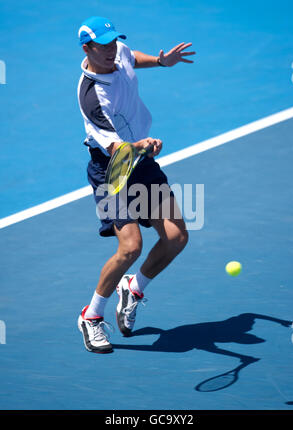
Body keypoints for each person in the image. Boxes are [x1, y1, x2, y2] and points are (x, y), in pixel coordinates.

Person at [76, 16, 196, 353]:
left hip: (140, 162)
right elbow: (116, 149)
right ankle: (91, 316)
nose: (112, 50)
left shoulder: (117, 51)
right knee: (130, 247)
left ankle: (134, 288)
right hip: (112, 170)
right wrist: (145, 143)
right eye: (104, 46)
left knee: (176, 237)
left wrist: (160, 61)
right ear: (87, 49)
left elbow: (131, 56)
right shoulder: (91, 96)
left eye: (114, 42)